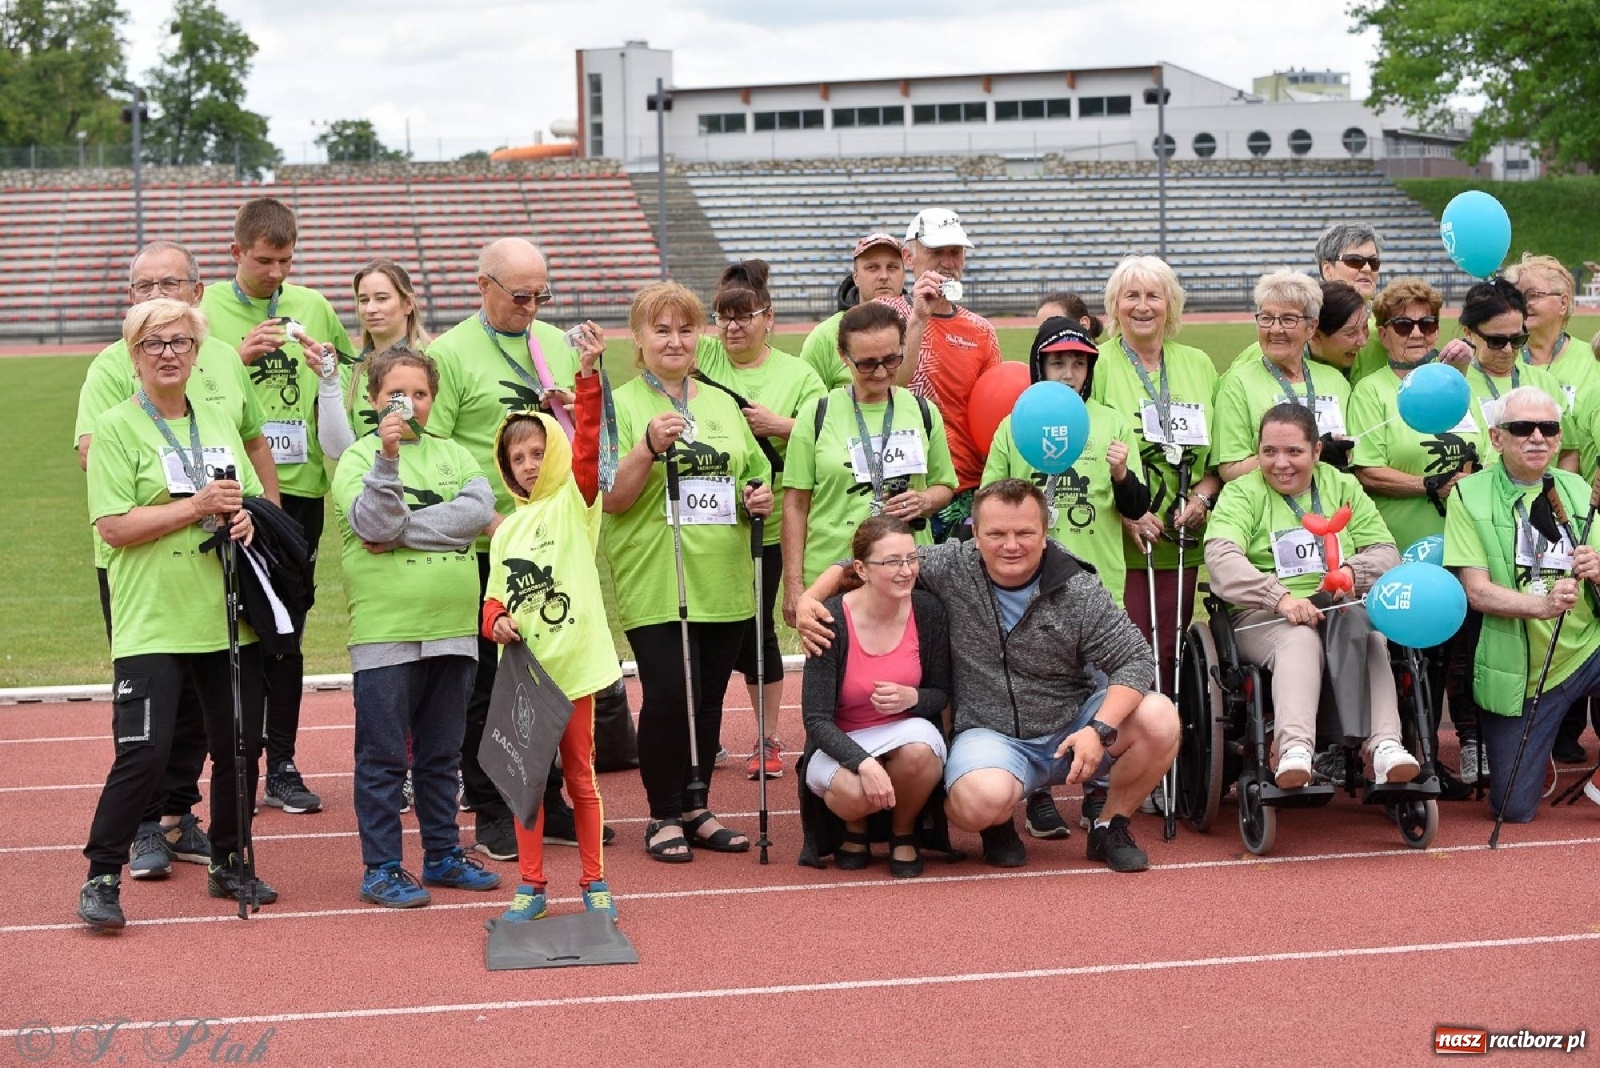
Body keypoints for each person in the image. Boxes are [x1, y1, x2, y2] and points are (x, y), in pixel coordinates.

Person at [796, 479, 1180, 874]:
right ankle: (998, 824)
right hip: (991, 734)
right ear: (975, 535)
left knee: (1160, 716)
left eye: (1024, 533)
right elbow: (864, 562)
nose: (1010, 545)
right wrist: (809, 599)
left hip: (1073, 725)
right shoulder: (953, 566)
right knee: (974, 802)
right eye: (996, 533)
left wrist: (1099, 729)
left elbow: (1135, 657)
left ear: (1045, 534)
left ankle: (1109, 825)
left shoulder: (1077, 587)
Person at [73, 240, 278, 880]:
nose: (169, 354)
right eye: (154, 344)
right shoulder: (114, 427)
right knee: (144, 752)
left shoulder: (215, 416)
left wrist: (246, 517)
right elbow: (112, 527)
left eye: (180, 343)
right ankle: (103, 873)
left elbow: (244, 494)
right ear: (134, 357)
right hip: (154, 615)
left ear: (197, 352)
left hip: (222, 610)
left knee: (239, 747)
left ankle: (229, 860)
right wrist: (193, 509)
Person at [424, 237, 592, 863]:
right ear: (482, 286)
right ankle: (494, 808)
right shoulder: (449, 355)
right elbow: (435, 452)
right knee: (490, 684)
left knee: (551, 673)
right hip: (487, 544)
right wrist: (487, 517)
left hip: (553, 545)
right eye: (519, 296)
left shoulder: (551, 342)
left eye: (540, 295)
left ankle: (545, 797)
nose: (531, 306)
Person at [601, 282, 773, 862]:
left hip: (722, 576)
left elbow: (752, 473)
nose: (675, 341)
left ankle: (697, 805)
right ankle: (662, 813)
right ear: (639, 339)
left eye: (685, 329)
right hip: (658, 576)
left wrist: (758, 496)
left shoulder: (721, 403)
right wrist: (647, 447)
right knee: (670, 694)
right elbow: (612, 499)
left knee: (707, 699)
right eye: (661, 330)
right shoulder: (619, 403)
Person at [199, 196, 357, 818]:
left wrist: (328, 365)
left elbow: (345, 374)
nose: (277, 274)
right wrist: (235, 356)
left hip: (301, 491)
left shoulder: (312, 304)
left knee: (288, 627)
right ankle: (234, 758)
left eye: (287, 260)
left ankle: (284, 763)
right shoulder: (203, 309)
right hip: (229, 490)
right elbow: (177, 386)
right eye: (265, 261)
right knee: (231, 626)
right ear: (235, 253)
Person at [330, 347, 501, 907]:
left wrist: (404, 531)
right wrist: (388, 457)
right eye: (397, 395)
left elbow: (476, 515)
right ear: (374, 400)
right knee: (382, 758)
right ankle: (381, 867)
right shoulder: (357, 459)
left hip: (453, 628)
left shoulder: (455, 454)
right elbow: (374, 521)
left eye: (420, 394)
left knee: (441, 755)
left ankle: (442, 855)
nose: (410, 404)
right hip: (386, 633)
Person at [982, 317, 1149, 838]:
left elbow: (1139, 506)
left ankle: (1100, 793)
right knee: (1038, 690)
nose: (1069, 372)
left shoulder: (1112, 422)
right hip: (1026, 587)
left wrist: (1122, 474)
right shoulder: (1014, 424)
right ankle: (1039, 795)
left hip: (1096, 582)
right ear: (1040, 365)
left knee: (1102, 687)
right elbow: (986, 502)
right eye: (1059, 362)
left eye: (1079, 362)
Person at [1205, 402, 1420, 788]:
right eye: (1269, 451)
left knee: (1370, 631)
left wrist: (1356, 572)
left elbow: (1386, 550)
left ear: (1317, 452)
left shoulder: (1342, 485)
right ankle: (1296, 751)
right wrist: (1279, 598)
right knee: (1299, 638)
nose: (1280, 463)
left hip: (1339, 607)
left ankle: (1386, 746)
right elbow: (1221, 559)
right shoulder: (1241, 493)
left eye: (1294, 452)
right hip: (1262, 615)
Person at [483, 330, 620, 921]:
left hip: (576, 669)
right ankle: (532, 886)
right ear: (506, 467)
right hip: (528, 678)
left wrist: (587, 379)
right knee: (527, 783)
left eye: (538, 452)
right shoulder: (506, 530)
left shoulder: (574, 504)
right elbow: (491, 602)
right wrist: (497, 624)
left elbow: (588, 448)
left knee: (581, 780)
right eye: (518, 458)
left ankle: (594, 881)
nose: (530, 464)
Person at [1348, 278, 1488, 790]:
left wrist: (1470, 479)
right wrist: (1430, 484)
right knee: (1408, 655)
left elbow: (1487, 459)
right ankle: (1406, 756)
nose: (1416, 333)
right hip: (1402, 546)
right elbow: (1367, 470)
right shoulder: (1373, 391)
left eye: (1427, 324)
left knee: (1458, 653)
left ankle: (1443, 754)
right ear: (1383, 334)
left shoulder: (1458, 388)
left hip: (1464, 545)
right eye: (1403, 324)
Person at [693, 260, 826, 781]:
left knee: (755, 630)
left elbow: (827, 433)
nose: (734, 327)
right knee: (705, 627)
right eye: (724, 317)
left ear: (769, 318)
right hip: (706, 526)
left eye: (746, 316)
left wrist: (781, 425)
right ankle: (703, 735)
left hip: (770, 528)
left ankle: (768, 737)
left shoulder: (798, 375)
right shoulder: (703, 355)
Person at [1443, 386, 1600, 823]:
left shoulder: (1575, 487)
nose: (1537, 437)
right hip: (1523, 673)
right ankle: (1538, 749)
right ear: (1496, 438)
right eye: (1522, 428)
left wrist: (1598, 567)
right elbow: (1475, 591)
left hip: (1588, 647)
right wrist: (1542, 606)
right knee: (1512, 809)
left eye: (1548, 428)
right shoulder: (1467, 495)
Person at [1089, 256, 1221, 723]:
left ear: (1171, 305)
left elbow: (1219, 459)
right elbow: (1092, 453)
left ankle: (1171, 755)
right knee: (1126, 655)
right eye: (1131, 296)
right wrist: (1128, 514)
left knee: (1171, 649)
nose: (1142, 307)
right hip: (1121, 540)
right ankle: (1125, 753)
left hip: (1182, 539)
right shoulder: (1099, 364)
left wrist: (1203, 497)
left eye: (1153, 295)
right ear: (1114, 306)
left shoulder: (1199, 364)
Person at [782, 301, 957, 628]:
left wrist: (924, 500)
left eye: (891, 359)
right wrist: (793, 585)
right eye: (867, 363)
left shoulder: (922, 411)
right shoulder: (816, 414)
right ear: (843, 356)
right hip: (834, 572)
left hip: (906, 571)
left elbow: (944, 486)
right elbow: (795, 503)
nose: (880, 372)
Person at [799, 517, 950, 877]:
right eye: (891, 562)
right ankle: (855, 829)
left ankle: (904, 830)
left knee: (922, 752)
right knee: (854, 793)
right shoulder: (830, 619)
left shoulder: (928, 611)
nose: (906, 571)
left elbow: (942, 695)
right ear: (861, 570)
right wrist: (864, 762)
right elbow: (816, 719)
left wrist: (912, 697)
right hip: (841, 739)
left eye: (911, 559)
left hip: (903, 735)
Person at [1506, 255, 1600, 764]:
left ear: (1564, 304)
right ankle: (1545, 729)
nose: (1524, 303)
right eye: (1518, 294)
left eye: (1534, 294)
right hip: (1522, 511)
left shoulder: (1591, 358)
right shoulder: (1506, 356)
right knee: (1539, 607)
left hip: (1587, 510)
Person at [888, 208, 1004, 539]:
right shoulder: (885, 316)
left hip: (964, 490)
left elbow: (993, 419)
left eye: (955, 252)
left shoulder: (981, 331)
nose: (948, 262)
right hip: (898, 486)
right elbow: (886, 389)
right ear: (908, 258)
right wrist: (918, 320)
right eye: (936, 252)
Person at [1214, 269, 1354, 482]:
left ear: (1311, 327)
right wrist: (1312, 453)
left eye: (1288, 319)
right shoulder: (1238, 383)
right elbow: (1230, 470)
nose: (1276, 329)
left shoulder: (1335, 381)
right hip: (1267, 510)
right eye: (1266, 318)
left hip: (1330, 509)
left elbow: (1356, 454)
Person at [1454, 279, 1579, 472]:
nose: (1507, 349)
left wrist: (1556, 496)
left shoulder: (1543, 383)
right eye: (1496, 341)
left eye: (1517, 339)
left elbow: (1568, 451)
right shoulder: (1455, 383)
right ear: (1469, 333)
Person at [798, 233, 906, 390]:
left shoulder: (923, 328)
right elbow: (804, 405)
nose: (884, 276)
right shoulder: (824, 337)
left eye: (892, 267)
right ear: (855, 276)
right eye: (872, 267)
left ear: (904, 273)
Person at [1036, 291, 1104, 337]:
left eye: (1056, 328)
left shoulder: (1103, 358)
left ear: (1084, 325)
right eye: (1042, 332)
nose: (1046, 337)